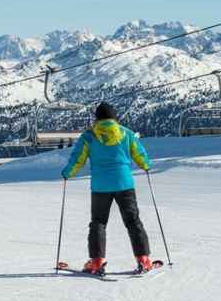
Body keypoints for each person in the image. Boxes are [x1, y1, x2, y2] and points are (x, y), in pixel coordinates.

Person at [61, 102, 155, 274]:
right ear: (114, 118)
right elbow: (139, 154)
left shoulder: (89, 136)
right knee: (133, 221)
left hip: (100, 186)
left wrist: (68, 173)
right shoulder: (126, 133)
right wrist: (146, 166)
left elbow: (77, 159)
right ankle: (143, 259)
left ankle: (97, 261)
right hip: (124, 184)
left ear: (96, 119)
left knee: (98, 223)